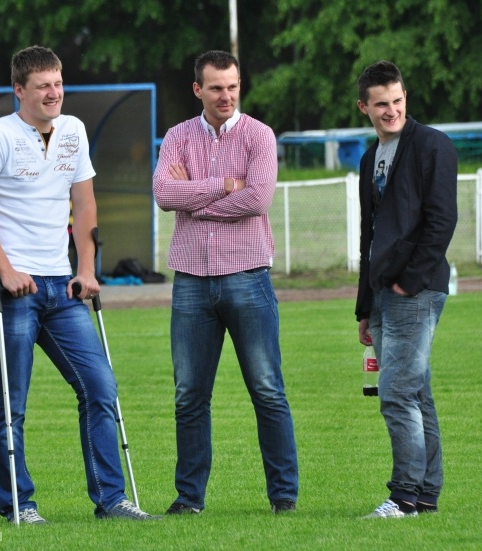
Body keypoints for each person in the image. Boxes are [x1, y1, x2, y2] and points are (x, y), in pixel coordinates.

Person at [0, 45, 160, 524]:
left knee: (100, 388)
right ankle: (20, 506)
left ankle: (112, 500)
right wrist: (5, 270)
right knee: (11, 403)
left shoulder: (74, 130)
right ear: (19, 90)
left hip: (62, 287)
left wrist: (86, 269)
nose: (54, 93)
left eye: (58, 83)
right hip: (12, 290)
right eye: (43, 86)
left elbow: (85, 204)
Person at [152, 50, 299, 515]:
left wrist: (193, 200)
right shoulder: (177, 137)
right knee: (189, 396)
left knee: (267, 390)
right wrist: (223, 185)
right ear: (198, 89)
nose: (226, 96)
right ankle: (189, 498)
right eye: (216, 88)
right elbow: (163, 193)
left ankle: (283, 497)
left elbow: (257, 200)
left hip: (248, 276)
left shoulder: (259, 135)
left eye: (232, 86)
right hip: (191, 281)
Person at [354, 60, 458, 518]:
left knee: (396, 394)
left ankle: (403, 498)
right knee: (416, 395)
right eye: (381, 104)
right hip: (382, 294)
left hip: (415, 290)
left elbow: (442, 220)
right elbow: (369, 235)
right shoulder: (369, 158)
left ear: (405, 98)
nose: (391, 110)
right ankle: (426, 495)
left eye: (397, 100)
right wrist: (365, 306)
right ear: (364, 107)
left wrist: (407, 282)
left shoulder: (432, 145)